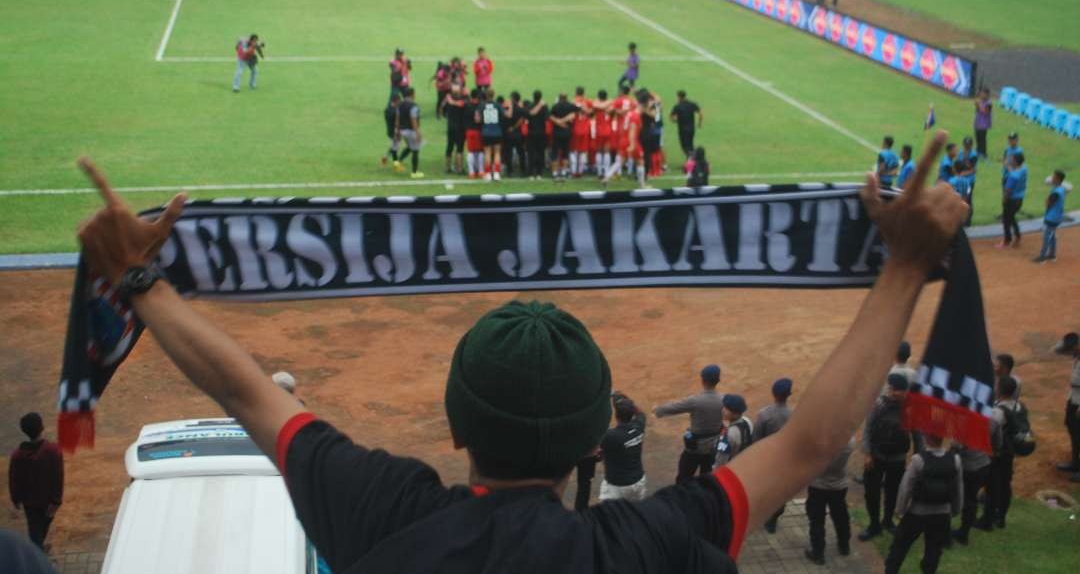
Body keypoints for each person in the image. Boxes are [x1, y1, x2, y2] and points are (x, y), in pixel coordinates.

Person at [69, 132, 967, 574]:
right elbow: (810, 444)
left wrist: (142, 285)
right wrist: (906, 269)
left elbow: (247, 394)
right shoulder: (644, 544)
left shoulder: (382, 512)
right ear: (590, 442)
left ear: (454, 424)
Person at [883, 434, 962, 574]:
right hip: (942, 514)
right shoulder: (955, 459)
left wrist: (900, 510)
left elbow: (906, 487)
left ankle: (891, 570)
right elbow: (958, 487)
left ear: (927, 438)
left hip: (917, 513)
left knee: (900, 545)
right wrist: (955, 509)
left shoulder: (918, 460)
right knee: (934, 550)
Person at [859, 373, 911, 541]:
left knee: (893, 492)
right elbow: (867, 430)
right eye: (894, 390)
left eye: (900, 391)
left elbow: (917, 434)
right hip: (876, 456)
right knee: (871, 492)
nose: (896, 393)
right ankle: (874, 525)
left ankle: (887, 521)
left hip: (897, 458)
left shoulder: (910, 408)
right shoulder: (879, 404)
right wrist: (867, 454)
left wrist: (919, 457)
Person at [653, 364, 726, 483]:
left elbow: (673, 407)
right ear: (718, 380)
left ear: (703, 380)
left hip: (695, 448)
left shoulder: (695, 401)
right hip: (713, 446)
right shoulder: (723, 399)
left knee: (684, 478)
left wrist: (657, 410)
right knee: (707, 478)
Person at [8, 413, 64, 550]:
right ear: (42, 427)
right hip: (48, 501)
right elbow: (58, 477)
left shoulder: (17, 455)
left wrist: (16, 499)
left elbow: (14, 478)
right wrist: (56, 500)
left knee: (35, 528)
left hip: (29, 502)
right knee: (41, 528)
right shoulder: (52, 451)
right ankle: (38, 554)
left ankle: (38, 546)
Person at [804, 435, 854, 566]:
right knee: (841, 517)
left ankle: (818, 553)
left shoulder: (820, 442)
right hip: (839, 485)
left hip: (817, 486)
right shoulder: (849, 441)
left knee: (816, 520)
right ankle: (844, 546)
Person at [980, 376, 1020, 529]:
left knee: (992, 485)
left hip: (997, 453)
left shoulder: (998, 411)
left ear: (1000, 390)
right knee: (1005, 484)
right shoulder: (1018, 406)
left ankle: (987, 520)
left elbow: (989, 431)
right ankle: (1001, 517)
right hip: (1010, 452)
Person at [757, 379, 793, 534]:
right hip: (785, 460)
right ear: (788, 395)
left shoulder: (764, 414)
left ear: (773, 393)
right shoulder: (793, 414)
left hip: (767, 458)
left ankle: (761, 513)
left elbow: (756, 439)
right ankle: (773, 518)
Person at [598, 394, 647, 502]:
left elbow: (594, 449)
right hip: (638, 481)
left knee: (607, 515)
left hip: (617, 487)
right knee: (635, 513)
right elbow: (641, 413)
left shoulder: (610, 436)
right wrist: (627, 402)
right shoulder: (639, 426)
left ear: (616, 416)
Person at [1053, 332, 1080, 484]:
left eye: (1072, 348)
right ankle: (1075, 463)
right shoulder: (1077, 353)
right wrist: (1066, 341)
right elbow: (1057, 350)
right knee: (1072, 427)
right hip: (1073, 398)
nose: (1070, 351)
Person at [952, 442, 991, 545]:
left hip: (970, 467)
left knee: (966, 499)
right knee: (972, 499)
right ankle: (966, 527)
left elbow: (957, 446)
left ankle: (963, 534)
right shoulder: (986, 425)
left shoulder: (965, 426)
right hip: (984, 464)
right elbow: (997, 442)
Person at [1035, 170, 1067, 263]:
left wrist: (1047, 200)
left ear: (1057, 179)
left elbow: (1048, 204)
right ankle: (1052, 255)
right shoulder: (1061, 189)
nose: (1051, 178)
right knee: (1052, 236)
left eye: (1053, 177)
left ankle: (1042, 257)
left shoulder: (1056, 192)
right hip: (1057, 216)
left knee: (1046, 237)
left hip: (1051, 218)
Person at [997, 152, 1027, 248]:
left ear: (1015, 162)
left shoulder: (1013, 176)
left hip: (1011, 200)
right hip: (1020, 199)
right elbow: (1014, 170)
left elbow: (1008, 190)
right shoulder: (1024, 169)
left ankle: (1007, 240)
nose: (1010, 160)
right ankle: (1017, 236)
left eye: (1012, 159)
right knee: (1012, 217)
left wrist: (1004, 200)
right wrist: (1007, 165)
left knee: (1006, 220)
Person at [714, 395, 753, 467]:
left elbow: (720, 462)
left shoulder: (729, 435)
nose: (723, 410)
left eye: (726, 409)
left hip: (730, 466)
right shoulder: (747, 421)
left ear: (735, 414)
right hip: (742, 461)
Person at [394, 88, 423, 179]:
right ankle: (414, 172)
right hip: (411, 131)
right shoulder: (414, 106)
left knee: (410, 147)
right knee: (415, 150)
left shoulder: (400, 105)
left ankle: (398, 161)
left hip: (403, 131)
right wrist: (418, 133)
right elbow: (413, 119)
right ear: (411, 94)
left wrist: (397, 131)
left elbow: (397, 119)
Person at [477, 92, 504, 182]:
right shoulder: (498, 105)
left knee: (487, 153)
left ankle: (488, 174)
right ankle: (496, 173)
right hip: (497, 132)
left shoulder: (482, 106)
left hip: (486, 132)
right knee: (497, 153)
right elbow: (504, 116)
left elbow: (477, 119)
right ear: (493, 95)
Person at [549, 92, 577, 180]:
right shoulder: (571, 106)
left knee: (554, 153)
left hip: (556, 133)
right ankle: (564, 172)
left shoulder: (555, 106)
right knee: (565, 153)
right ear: (566, 98)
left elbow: (550, 116)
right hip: (567, 133)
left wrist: (559, 122)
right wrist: (564, 121)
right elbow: (577, 112)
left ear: (559, 98)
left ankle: (554, 173)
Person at [441, 85, 467, 175]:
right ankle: (459, 168)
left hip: (450, 127)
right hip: (460, 128)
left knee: (449, 147)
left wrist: (447, 101)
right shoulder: (464, 101)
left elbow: (442, 111)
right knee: (459, 149)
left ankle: (447, 168)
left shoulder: (448, 101)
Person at [501, 92, 527, 178]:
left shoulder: (507, 109)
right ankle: (523, 170)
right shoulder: (521, 110)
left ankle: (510, 171)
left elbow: (504, 119)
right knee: (521, 152)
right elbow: (523, 119)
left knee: (508, 153)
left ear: (513, 99)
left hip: (508, 135)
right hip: (518, 135)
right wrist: (515, 127)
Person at [671, 90, 703, 159]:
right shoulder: (692, 104)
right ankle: (692, 160)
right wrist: (699, 123)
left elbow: (672, 117)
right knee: (690, 145)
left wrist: (676, 120)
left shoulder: (678, 106)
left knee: (685, 146)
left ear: (679, 97)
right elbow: (700, 113)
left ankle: (691, 161)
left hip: (683, 130)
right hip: (691, 128)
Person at [570, 88, 593, 178]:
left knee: (574, 150)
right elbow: (591, 112)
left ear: (576, 93)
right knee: (582, 151)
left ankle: (573, 171)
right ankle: (580, 171)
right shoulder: (588, 102)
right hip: (585, 129)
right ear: (584, 93)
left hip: (575, 128)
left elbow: (571, 115)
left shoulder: (573, 102)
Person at [526, 90, 548, 180]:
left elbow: (528, 116)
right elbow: (547, 118)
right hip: (541, 133)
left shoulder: (529, 106)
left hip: (531, 133)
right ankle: (539, 173)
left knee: (531, 153)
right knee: (540, 153)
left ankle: (531, 173)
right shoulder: (544, 107)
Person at [382, 93, 402, 168]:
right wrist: (397, 133)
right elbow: (397, 124)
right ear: (396, 101)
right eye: (399, 101)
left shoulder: (387, 109)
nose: (400, 102)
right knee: (395, 149)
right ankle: (396, 164)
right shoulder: (396, 111)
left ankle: (385, 157)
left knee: (394, 146)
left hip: (389, 130)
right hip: (394, 132)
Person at [973, 87, 993, 158]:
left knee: (982, 139)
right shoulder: (981, 101)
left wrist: (978, 105)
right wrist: (977, 105)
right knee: (978, 137)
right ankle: (978, 151)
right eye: (981, 93)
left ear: (987, 95)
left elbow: (986, 112)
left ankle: (983, 153)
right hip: (978, 122)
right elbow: (978, 110)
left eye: (983, 94)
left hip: (984, 124)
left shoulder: (989, 103)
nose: (981, 95)